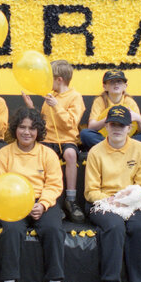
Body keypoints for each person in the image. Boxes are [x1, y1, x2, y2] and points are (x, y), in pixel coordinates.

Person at [0, 107, 67, 282]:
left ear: (39, 132)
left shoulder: (48, 154)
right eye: (23, 127)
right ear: (15, 129)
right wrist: (18, 205)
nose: (27, 132)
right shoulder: (4, 154)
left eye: (32, 128)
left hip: (41, 202)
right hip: (11, 202)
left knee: (53, 229)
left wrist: (42, 204)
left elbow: (54, 185)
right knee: (12, 230)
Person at [84, 105, 141, 282]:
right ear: (106, 126)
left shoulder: (140, 148)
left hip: (133, 200)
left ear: (129, 128)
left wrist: (128, 198)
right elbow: (90, 191)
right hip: (104, 202)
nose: (117, 128)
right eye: (113, 124)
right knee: (114, 227)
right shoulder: (96, 151)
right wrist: (111, 201)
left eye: (122, 125)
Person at [21, 59, 86, 223]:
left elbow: (71, 123)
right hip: (48, 139)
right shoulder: (50, 97)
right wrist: (31, 108)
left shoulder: (75, 97)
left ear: (59, 79)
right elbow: (43, 122)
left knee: (71, 154)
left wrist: (57, 106)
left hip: (66, 139)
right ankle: (48, 200)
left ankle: (71, 200)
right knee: (41, 155)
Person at [80, 70, 141, 150]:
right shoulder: (100, 101)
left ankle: (119, 149)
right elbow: (91, 127)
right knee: (85, 134)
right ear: (105, 86)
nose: (116, 84)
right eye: (111, 82)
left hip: (126, 139)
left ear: (125, 86)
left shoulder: (129, 101)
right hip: (105, 139)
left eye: (119, 81)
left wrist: (138, 119)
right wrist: (110, 118)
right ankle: (123, 150)